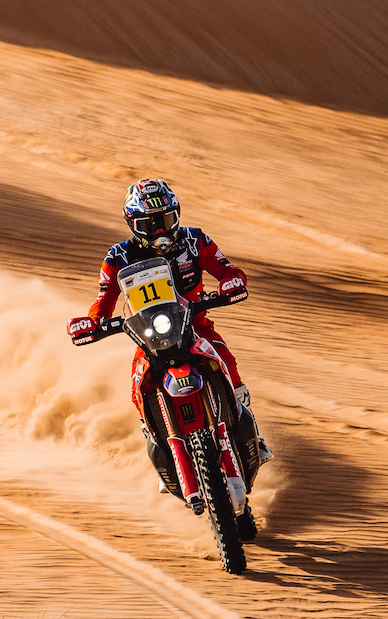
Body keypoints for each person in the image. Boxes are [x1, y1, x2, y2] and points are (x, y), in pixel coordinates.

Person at [67, 178, 271, 479]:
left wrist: (231, 280)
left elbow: (226, 268)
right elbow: (104, 299)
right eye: (150, 225)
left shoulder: (195, 240)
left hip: (194, 322)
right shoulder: (117, 257)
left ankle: (250, 431)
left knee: (226, 361)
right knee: (139, 386)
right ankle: (156, 438)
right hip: (147, 332)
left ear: (177, 214)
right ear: (132, 224)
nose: (160, 231)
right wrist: (94, 322)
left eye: (165, 220)